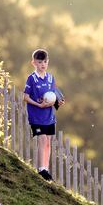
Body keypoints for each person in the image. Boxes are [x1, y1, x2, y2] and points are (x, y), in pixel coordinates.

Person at [23, 49, 64, 181]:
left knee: (48, 142)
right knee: (42, 139)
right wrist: (37, 104)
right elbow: (25, 97)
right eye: (40, 62)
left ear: (48, 62)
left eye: (45, 62)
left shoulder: (51, 78)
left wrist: (58, 102)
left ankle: (46, 168)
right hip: (36, 115)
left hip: (49, 116)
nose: (43, 64)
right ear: (33, 62)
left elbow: (53, 94)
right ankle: (41, 169)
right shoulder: (31, 78)